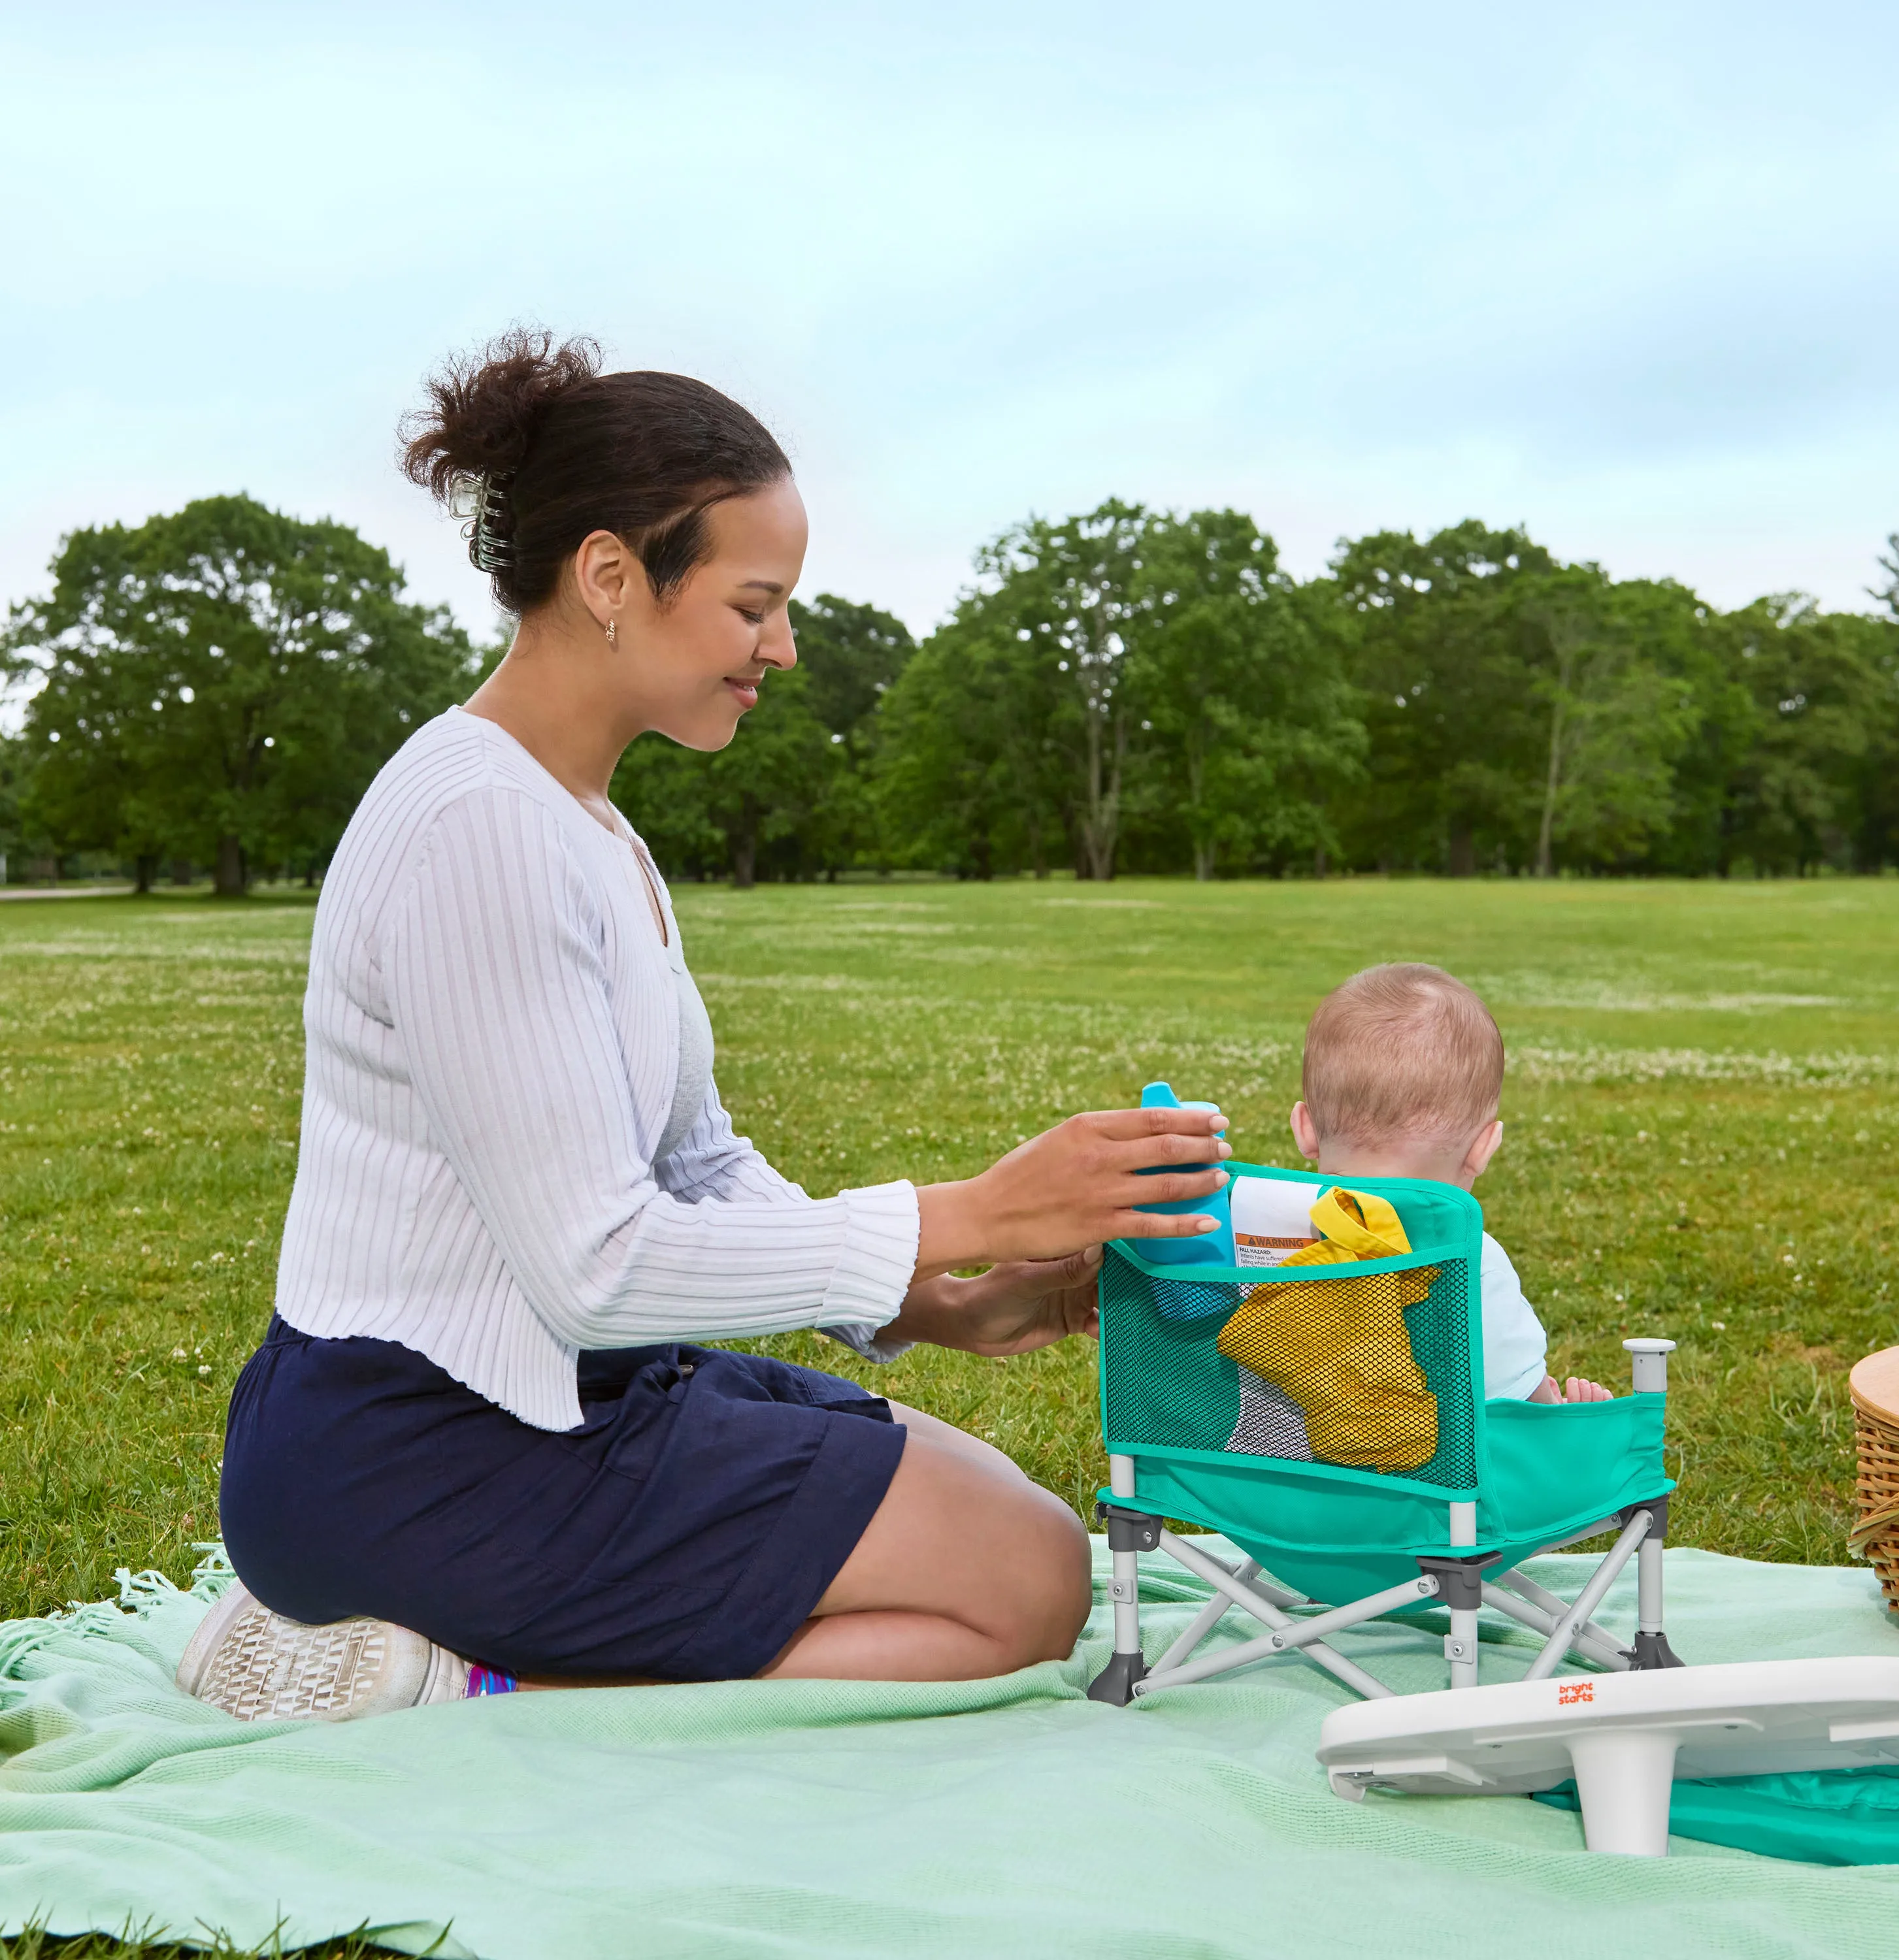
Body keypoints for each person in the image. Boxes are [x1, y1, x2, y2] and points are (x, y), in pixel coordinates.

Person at [187, 331, 1231, 1722]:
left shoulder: (585, 826)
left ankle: (462, 1653)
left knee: (1030, 1553)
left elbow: (695, 1161)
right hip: (415, 1449)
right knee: (1026, 1591)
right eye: (755, 605)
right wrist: (968, 1211)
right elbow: (598, 1267)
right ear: (612, 577)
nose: (783, 648)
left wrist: (924, 1301)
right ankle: (441, 1675)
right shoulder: (477, 830)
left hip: (570, 1394)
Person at [1230, 962, 1608, 1417]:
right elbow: (1521, 1423)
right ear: (1483, 1148)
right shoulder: (1471, 1263)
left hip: (1256, 1481)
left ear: (1304, 1129)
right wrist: (1566, 1414)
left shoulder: (1243, 1232)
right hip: (1426, 1488)